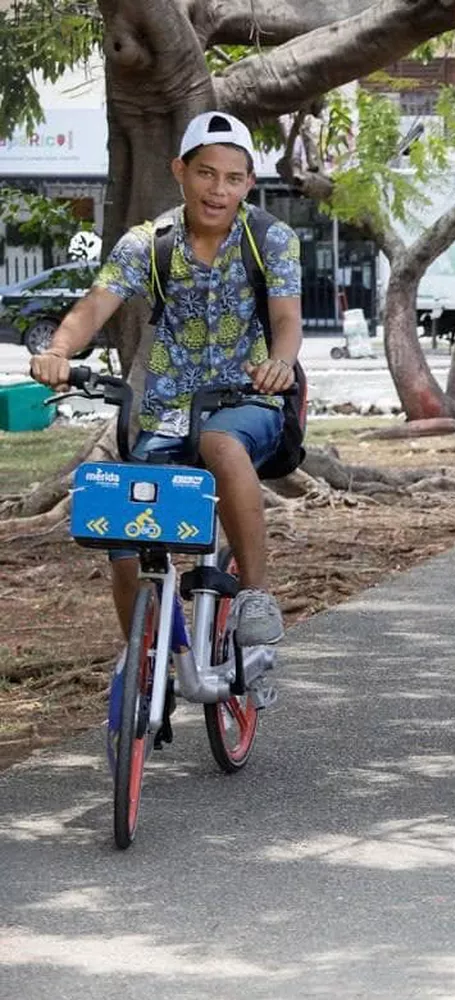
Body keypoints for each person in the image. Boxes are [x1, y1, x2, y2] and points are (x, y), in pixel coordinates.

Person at [30, 110, 302, 658]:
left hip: (247, 398)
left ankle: (255, 595)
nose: (217, 190)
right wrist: (58, 349)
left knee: (219, 443)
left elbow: (287, 321)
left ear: (249, 182)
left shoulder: (272, 238)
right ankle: (147, 661)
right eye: (206, 173)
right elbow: (95, 305)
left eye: (232, 178)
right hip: (166, 409)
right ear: (180, 170)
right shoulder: (147, 243)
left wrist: (280, 362)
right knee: (125, 533)